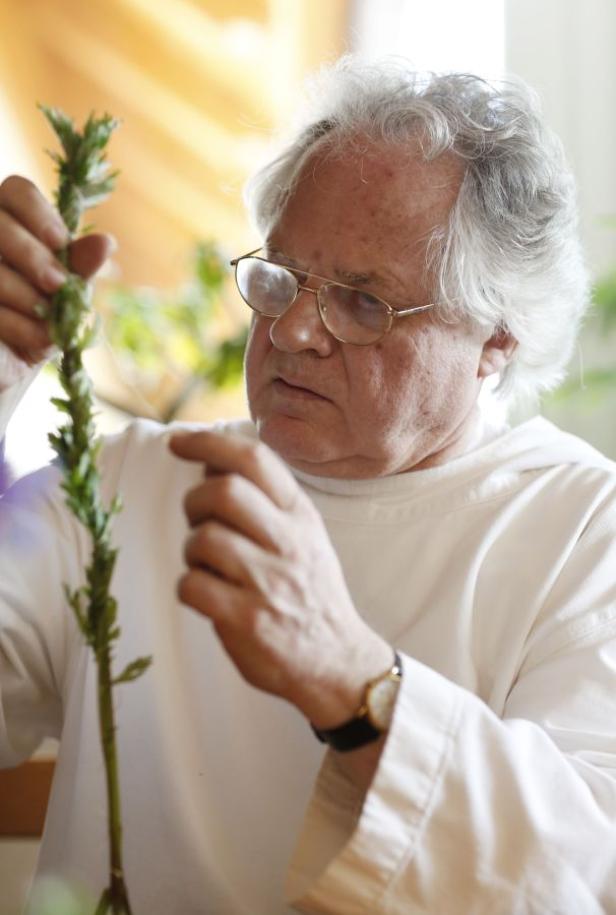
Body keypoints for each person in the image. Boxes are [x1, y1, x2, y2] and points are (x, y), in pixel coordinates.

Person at [1, 56, 615, 915]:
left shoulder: (587, 530)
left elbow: (579, 878)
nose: (290, 328)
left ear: (496, 342)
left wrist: (354, 679)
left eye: (364, 303)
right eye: (281, 278)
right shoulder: (133, 477)